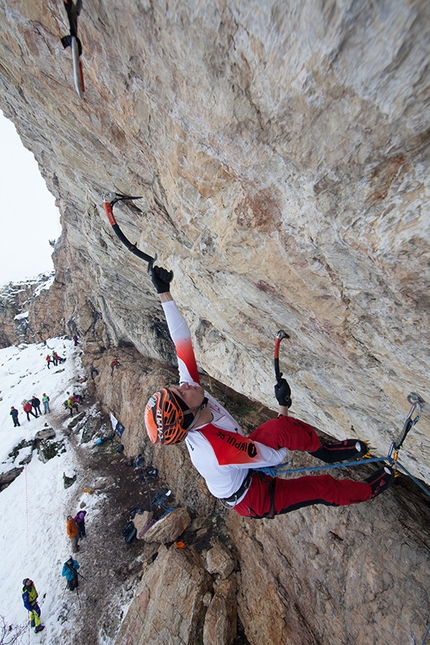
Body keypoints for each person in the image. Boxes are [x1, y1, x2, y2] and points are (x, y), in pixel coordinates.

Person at [144, 266, 394, 520]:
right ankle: (368, 490)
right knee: (322, 487)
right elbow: (276, 456)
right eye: (181, 394)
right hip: (253, 497)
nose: (184, 385)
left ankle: (327, 452)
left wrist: (163, 292)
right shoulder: (217, 450)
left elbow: (180, 341)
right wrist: (282, 406)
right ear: (189, 415)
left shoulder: (191, 399)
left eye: (177, 387)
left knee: (280, 430)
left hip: (240, 470)